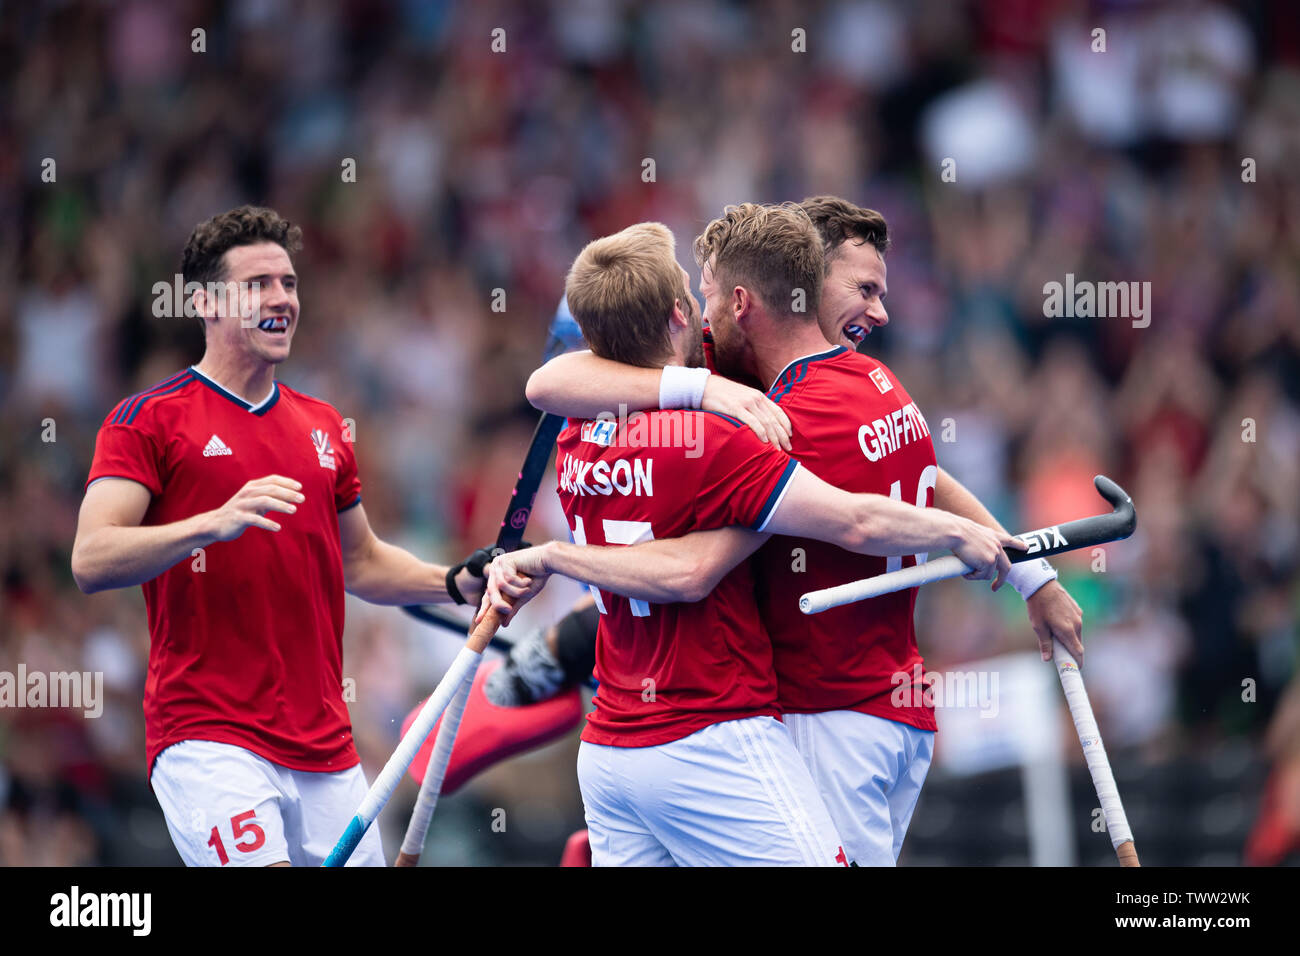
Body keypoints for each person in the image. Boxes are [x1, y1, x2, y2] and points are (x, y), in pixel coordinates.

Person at [492, 198, 1084, 866]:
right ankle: (567, 649)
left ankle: (566, 650)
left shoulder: (768, 411)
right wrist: (1024, 571)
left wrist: (558, 559)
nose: (880, 312)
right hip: (857, 711)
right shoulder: (863, 383)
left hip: (813, 714)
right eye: (864, 290)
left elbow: (695, 560)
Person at [71, 205, 484, 867]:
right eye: (258, 284)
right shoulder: (147, 421)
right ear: (205, 302)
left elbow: (364, 561)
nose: (282, 299)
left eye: (289, 284)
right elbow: (90, 558)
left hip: (326, 749)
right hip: (209, 738)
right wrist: (211, 522)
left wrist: (456, 581)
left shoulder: (323, 426)